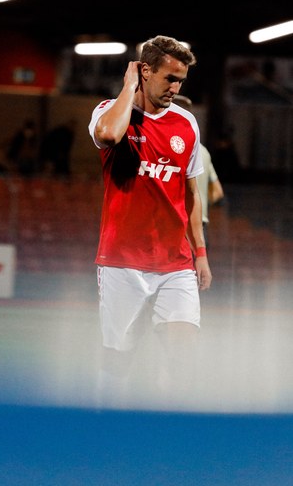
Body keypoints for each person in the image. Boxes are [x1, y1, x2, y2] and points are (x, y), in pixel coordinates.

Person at [88, 35, 211, 408]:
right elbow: (108, 135)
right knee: (119, 358)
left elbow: (191, 193)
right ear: (144, 71)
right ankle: (106, 420)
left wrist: (200, 253)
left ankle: (171, 426)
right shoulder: (110, 112)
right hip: (122, 261)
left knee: (184, 350)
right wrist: (129, 87)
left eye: (181, 81)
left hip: (175, 262)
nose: (175, 88)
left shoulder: (186, 124)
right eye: (169, 78)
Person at [173, 95, 225, 249]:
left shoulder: (171, 148)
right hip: (201, 225)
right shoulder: (203, 151)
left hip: (178, 223)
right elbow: (217, 192)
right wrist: (199, 205)